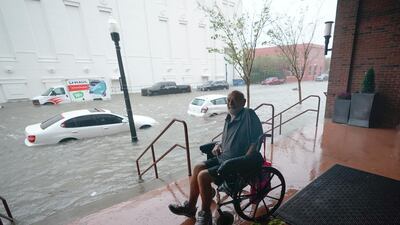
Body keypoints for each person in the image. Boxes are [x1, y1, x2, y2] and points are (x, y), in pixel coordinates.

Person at [168, 90, 263, 225]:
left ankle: (205, 214)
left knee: (203, 176)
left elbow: (257, 138)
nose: (230, 103)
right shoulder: (229, 117)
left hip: (235, 163)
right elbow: (227, 138)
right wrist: (219, 144)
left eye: (234, 100)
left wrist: (248, 157)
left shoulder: (249, 115)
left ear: (243, 102)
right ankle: (190, 207)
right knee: (197, 167)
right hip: (223, 157)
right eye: (228, 100)